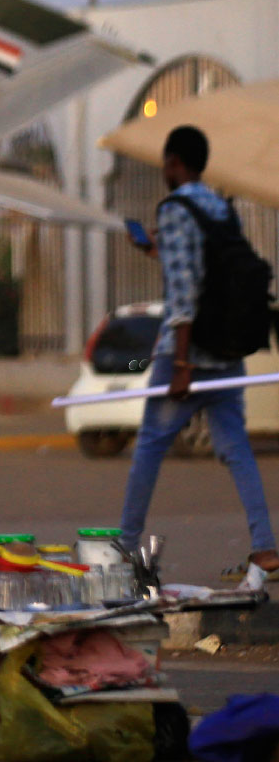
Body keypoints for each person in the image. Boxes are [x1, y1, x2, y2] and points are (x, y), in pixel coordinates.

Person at [120, 125, 279, 583]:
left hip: (185, 354)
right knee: (237, 449)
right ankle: (265, 546)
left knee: (149, 447)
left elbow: (185, 290)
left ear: (173, 162)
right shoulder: (220, 209)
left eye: (165, 164)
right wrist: (153, 248)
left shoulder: (174, 209)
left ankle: (126, 550)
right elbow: (208, 273)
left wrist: (183, 364)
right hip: (228, 353)